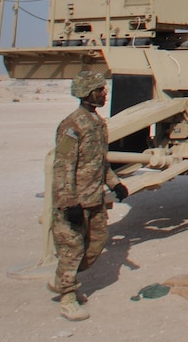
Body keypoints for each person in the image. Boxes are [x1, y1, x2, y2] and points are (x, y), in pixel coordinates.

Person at [50, 70, 128, 321]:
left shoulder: (96, 122)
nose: (105, 93)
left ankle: (63, 278)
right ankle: (68, 297)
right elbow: (62, 165)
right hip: (74, 200)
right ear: (87, 94)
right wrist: (69, 202)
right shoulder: (72, 125)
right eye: (100, 90)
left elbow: (99, 162)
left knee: (95, 245)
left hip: (94, 197)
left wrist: (115, 184)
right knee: (72, 248)